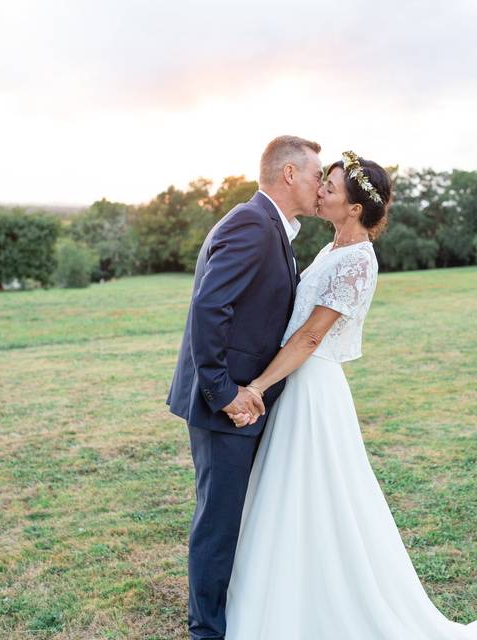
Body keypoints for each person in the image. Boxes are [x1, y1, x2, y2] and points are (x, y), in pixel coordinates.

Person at [223, 152, 477, 639]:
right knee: (290, 494)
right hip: (297, 384)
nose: (320, 191)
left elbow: (310, 338)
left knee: (318, 495)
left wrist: (256, 386)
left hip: (313, 387)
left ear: (355, 208)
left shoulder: (358, 262)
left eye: (332, 188)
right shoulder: (331, 250)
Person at [166, 135, 323, 640]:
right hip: (225, 404)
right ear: (290, 174)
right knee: (218, 524)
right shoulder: (252, 223)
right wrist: (225, 392)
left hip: (245, 399)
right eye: (317, 174)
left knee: (239, 515)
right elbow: (210, 309)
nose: (321, 184)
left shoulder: (272, 227)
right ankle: (206, 633)